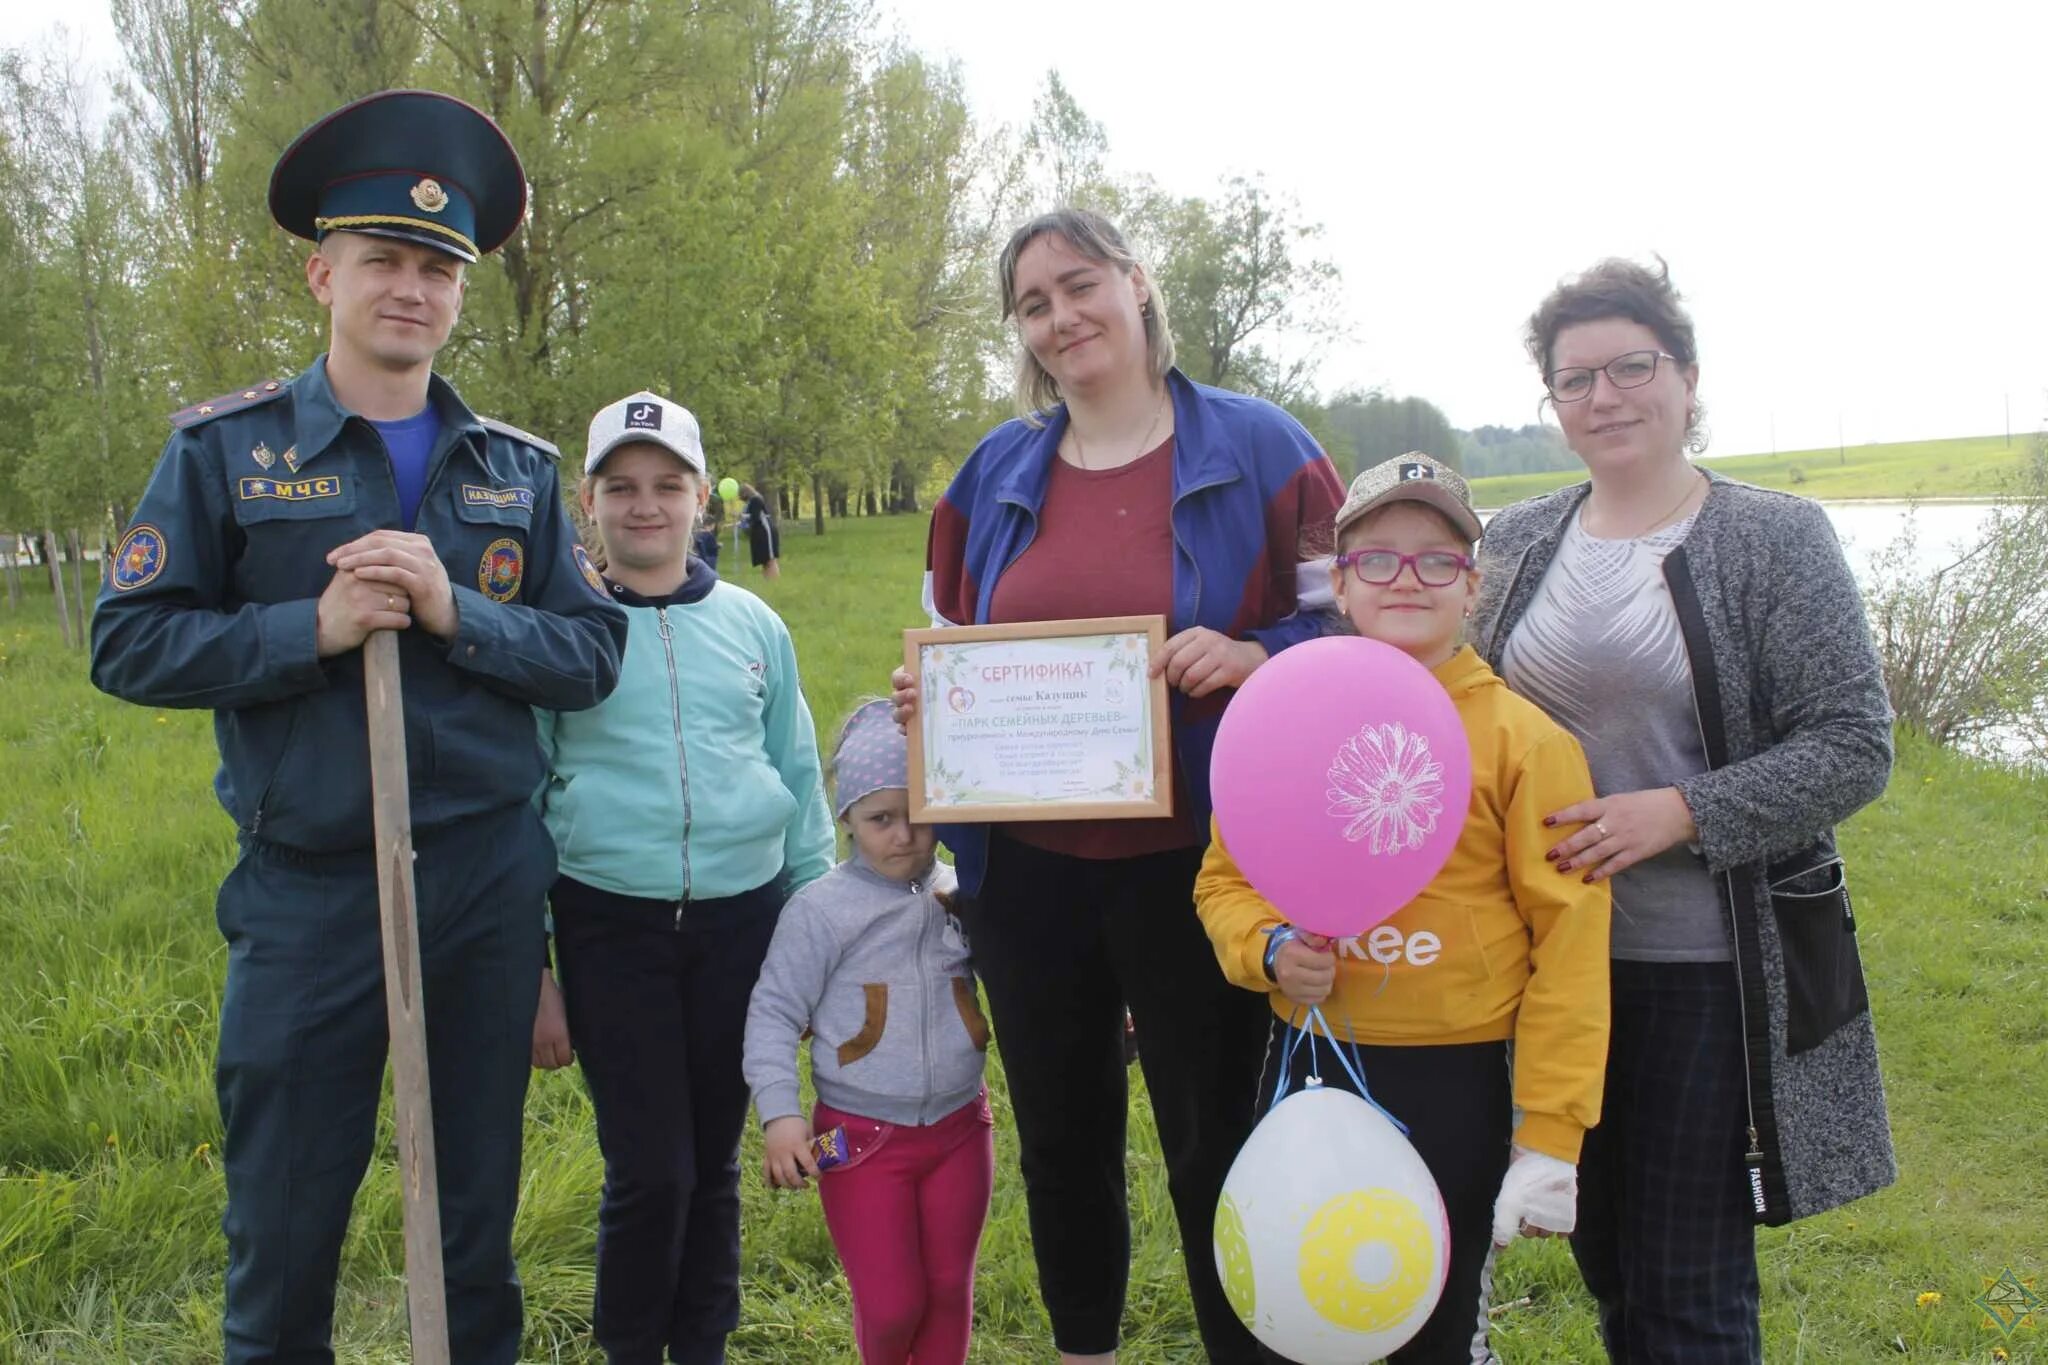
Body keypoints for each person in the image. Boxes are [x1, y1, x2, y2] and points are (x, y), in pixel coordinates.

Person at [87, 90, 628, 1363]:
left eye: (437, 267)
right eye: (383, 260)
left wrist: (458, 616)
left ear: (459, 293)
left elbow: (591, 653)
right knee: (282, 1223)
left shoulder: (515, 471)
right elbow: (127, 640)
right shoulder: (229, 455)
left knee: (471, 1221)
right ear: (324, 273)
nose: (411, 288)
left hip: (484, 887)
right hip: (310, 887)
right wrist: (306, 634)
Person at [892, 206, 1346, 1364]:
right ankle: (1082, 1347)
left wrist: (1259, 657)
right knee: (1059, 1132)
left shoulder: (1261, 447)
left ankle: (1245, 1344)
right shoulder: (993, 471)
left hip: (1203, 862)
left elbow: (1365, 627)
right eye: (1032, 303)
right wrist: (929, 708)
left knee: (1215, 1135)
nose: (1060, 317)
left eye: (1077, 284)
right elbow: (943, 639)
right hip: (1024, 870)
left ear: (1136, 286)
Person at [1474, 258, 1896, 1362]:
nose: (1604, 396)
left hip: (1697, 971)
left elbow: (1853, 746)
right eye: (1574, 380)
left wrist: (1682, 811)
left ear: (1687, 378)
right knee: (1605, 1261)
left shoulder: (1773, 538)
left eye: (1630, 367)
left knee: (1687, 1292)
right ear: (1553, 406)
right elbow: (1447, 705)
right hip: (1546, 971)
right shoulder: (1513, 542)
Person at [1195, 454, 1612, 1364]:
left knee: (1425, 1323)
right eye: (1377, 559)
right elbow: (1223, 881)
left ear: (1475, 586)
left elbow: (1571, 943)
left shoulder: (1523, 741)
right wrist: (1266, 949)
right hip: (1308, 1065)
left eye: (1437, 560)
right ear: (1340, 585)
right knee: (1293, 1309)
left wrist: (1548, 1135)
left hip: (1453, 1081)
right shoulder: (1285, 717)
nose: (1407, 579)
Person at [529, 389, 835, 1365]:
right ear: (589, 502)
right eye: (621, 487)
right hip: (606, 925)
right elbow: (524, 798)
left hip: (742, 927)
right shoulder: (559, 632)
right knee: (648, 1171)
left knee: (710, 1168)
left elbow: (794, 772)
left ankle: (701, 1343)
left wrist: (818, 931)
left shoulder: (754, 626)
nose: (645, 505)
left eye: (667, 485)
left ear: (702, 499)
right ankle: (629, 1346)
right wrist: (535, 966)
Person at [742, 698, 995, 1365]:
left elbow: (1024, 970)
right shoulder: (820, 910)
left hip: (962, 1128)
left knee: (947, 1288)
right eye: (881, 818)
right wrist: (780, 1116)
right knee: (891, 1305)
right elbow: (772, 1009)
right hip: (854, 1139)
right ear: (847, 817)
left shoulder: (963, 893)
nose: (904, 835)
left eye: (919, 815)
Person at [739, 481, 779, 579]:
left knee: (770, 558)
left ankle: (774, 580)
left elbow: (755, 516)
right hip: (759, 532)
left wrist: (742, 516)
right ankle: (767, 580)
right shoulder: (751, 502)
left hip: (766, 531)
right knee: (764, 559)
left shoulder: (756, 500)